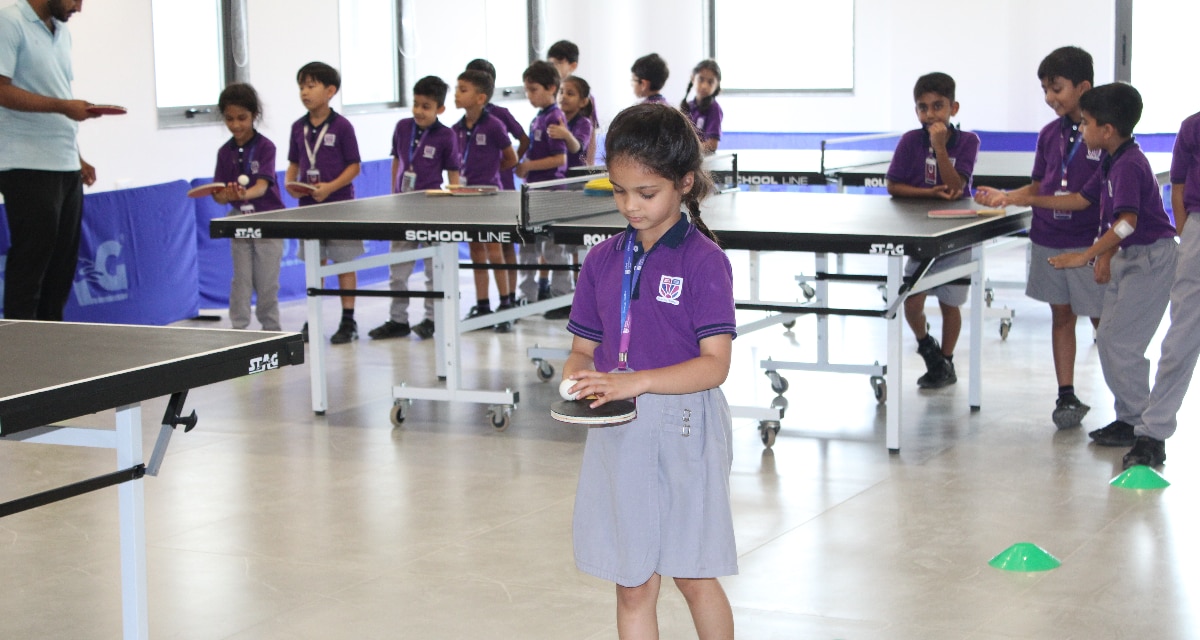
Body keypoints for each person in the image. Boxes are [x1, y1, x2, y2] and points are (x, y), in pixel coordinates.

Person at [564, 102, 737, 639]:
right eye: (618, 191)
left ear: (684, 183)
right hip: (620, 428)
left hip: (688, 428)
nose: (630, 206)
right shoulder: (601, 261)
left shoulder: (705, 261)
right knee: (632, 581)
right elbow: (581, 349)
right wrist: (575, 380)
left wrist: (635, 380)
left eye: (646, 193)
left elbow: (715, 367)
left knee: (692, 572)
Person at [995, 83, 1178, 453]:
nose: (1082, 130)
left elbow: (1126, 222)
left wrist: (1089, 255)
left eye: (1088, 124)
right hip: (1130, 257)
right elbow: (1081, 200)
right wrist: (1017, 197)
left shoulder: (1129, 164)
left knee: (1120, 343)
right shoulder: (1113, 159)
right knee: (1111, 339)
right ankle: (1130, 417)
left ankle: (1142, 424)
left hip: (1151, 261)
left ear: (1106, 130)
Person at [975, 46, 1105, 429]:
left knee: (1101, 319)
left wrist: (1014, 197)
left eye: (1057, 88)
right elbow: (1039, 185)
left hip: (1087, 241)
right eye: (1045, 90)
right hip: (1048, 236)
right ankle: (1066, 394)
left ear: (1083, 86)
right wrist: (1009, 198)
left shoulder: (1103, 132)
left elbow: (1084, 200)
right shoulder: (1049, 134)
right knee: (1061, 315)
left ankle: (1127, 402)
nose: (1050, 98)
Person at [0, 0, 95, 321]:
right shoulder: (8, 20)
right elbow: (1, 91)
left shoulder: (63, 32)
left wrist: (78, 157)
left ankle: (51, 351)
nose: (79, 8)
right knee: (31, 263)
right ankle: (20, 355)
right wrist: (63, 107)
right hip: (25, 163)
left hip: (65, 164)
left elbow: (57, 90)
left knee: (61, 269)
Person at [885, 72, 980, 388]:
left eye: (937, 106)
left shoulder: (968, 141)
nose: (930, 114)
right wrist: (929, 194)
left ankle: (947, 361)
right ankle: (928, 348)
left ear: (953, 107)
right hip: (918, 234)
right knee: (911, 300)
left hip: (955, 233)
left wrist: (940, 147)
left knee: (950, 304)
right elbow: (894, 185)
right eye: (923, 108)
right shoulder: (910, 141)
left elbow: (956, 188)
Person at [1119, 108, 1200, 468]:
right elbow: (1179, 189)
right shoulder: (1193, 127)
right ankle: (1152, 434)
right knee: (1180, 337)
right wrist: (1188, 234)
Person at [368, 75, 459, 341]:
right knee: (398, 270)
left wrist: (453, 210)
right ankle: (398, 320)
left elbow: (453, 175)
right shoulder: (402, 127)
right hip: (403, 209)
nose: (419, 111)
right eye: (416, 104)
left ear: (440, 109)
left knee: (434, 270)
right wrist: (394, 195)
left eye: (426, 106)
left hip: (432, 210)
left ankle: (433, 319)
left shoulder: (446, 136)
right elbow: (397, 162)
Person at [285, 61, 362, 344]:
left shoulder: (342, 126)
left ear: (330, 91)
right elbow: (294, 163)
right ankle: (313, 318)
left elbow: (354, 166)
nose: (305, 92)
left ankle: (348, 321)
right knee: (314, 265)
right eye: (301, 87)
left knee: (343, 263)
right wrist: (290, 183)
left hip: (340, 206)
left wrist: (330, 187)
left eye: (311, 86)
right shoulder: (297, 128)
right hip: (309, 207)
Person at [211, 83, 284, 331]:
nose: (236, 125)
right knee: (241, 280)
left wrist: (243, 193)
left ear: (254, 115)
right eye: (229, 119)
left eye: (242, 118)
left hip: (268, 220)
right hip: (238, 221)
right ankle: (238, 331)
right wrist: (226, 195)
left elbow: (262, 187)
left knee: (267, 283)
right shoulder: (224, 153)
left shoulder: (266, 147)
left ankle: (272, 331)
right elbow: (219, 197)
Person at [451, 69, 518, 331]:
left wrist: (492, 171)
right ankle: (481, 305)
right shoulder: (455, 129)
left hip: (491, 196)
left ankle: (506, 303)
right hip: (466, 198)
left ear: (480, 98)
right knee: (477, 250)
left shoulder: (493, 125)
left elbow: (511, 158)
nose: (457, 94)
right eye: (457, 88)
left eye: (462, 89)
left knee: (494, 250)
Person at [465, 58, 527, 299]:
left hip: (502, 186)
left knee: (505, 243)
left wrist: (507, 165)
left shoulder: (500, 114)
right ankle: (482, 302)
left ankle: (509, 297)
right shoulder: (464, 122)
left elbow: (524, 139)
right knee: (479, 248)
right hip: (474, 191)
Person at [515, 60, 572, 313]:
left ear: (551, 88)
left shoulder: (554, 118)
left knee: (553, 249)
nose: (529, 95)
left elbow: (559, 159)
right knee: (527, 247)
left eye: (533, 89)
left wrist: (528, 166)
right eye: (526, 90)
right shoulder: (538, 118)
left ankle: (562, 297)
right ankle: (526, 295)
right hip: (533, 193)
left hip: (551, 193)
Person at [547, 39, 599, 165]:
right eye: (551, 64)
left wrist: (589, 166)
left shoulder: (586, 97)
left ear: (573, 66)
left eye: (558, 63)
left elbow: (591, 136)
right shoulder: (551, 95)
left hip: (577, 163)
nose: (553, 68)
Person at [549, 76, 594, 170]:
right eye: (561, 92)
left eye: (570, 94)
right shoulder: (553, 119)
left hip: (575, 175)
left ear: (583, 102)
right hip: (556, 174)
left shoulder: (584, 123)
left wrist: (566, 135)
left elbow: (577, 148)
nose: (563, 96)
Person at [679, 59, 723, 154]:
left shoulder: (714, 109)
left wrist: (687, 149)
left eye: (710, 82)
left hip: (703, 160)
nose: (704, 86)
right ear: (693, 78)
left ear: (717, 85)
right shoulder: (688, 106)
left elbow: (712, 145)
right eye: (701, 79)